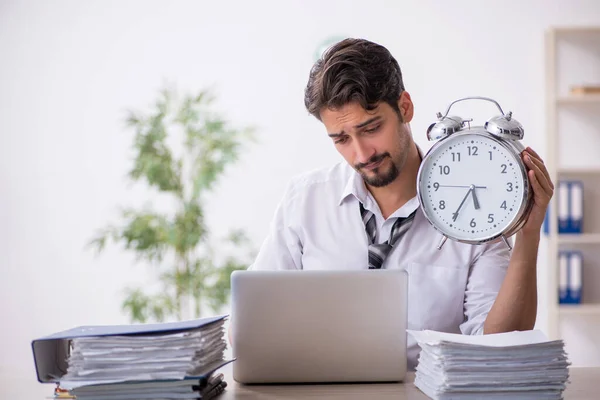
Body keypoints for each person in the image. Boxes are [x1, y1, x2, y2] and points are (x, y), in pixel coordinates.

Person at [245, 38, 554, 369]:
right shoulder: (304, 199)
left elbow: (501, 346)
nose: (362, 154)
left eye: (372, 128)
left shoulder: (472, 215)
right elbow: (251, 323)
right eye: (342, 139)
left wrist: (529, 232)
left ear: (404, 107)